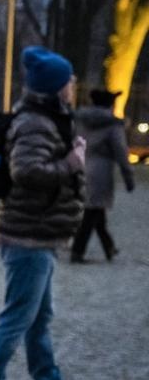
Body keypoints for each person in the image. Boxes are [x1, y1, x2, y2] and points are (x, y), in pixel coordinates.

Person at [0, 46, 96, 380]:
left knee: (39, 318)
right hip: (27, 236)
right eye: (69, 80)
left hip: (40, 233)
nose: (74, 84)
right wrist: (71, 162)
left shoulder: (50, 118)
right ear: (56, 86)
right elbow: (26, 171)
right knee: (17, 318)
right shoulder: (35, 123)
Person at [70, 87, 135, 262]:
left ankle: (109, 247)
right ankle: (78, 250)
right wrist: (128, 176)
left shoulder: (80, 120)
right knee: (92, 211)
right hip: (101, 170)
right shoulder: (113, 125)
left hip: (81, 165)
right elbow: (121, 151)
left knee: (95, 209)